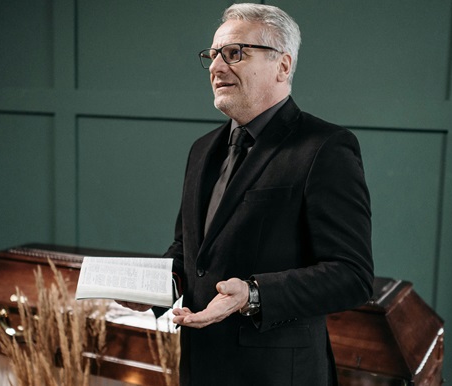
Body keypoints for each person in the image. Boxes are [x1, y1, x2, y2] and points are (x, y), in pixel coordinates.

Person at [121, 3, 373, 385]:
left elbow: (352, 276)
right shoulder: (202, 149)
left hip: (277, 376)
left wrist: (253, 294)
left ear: (283, 66)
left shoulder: (326, 148)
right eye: (212, 55)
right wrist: (153, 289)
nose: (216, 67)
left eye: (234, 53)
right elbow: (188, 253)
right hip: (200, 370)